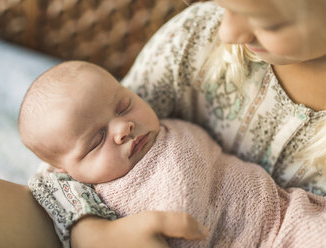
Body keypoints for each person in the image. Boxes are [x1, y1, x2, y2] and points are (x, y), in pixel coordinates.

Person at [0, 0, 325, 247]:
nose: (229, 32)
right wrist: (94, 232)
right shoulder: (199, 39)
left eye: (268, 22)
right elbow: (57, 170)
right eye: (223, 3)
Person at [21, 60, 325, 248]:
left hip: (288, 219)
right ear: (65, 171)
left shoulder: (170, 120)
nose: (123, 127)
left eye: (124, 105)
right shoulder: (94, 200)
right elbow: (45, 189)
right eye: (96, 140)